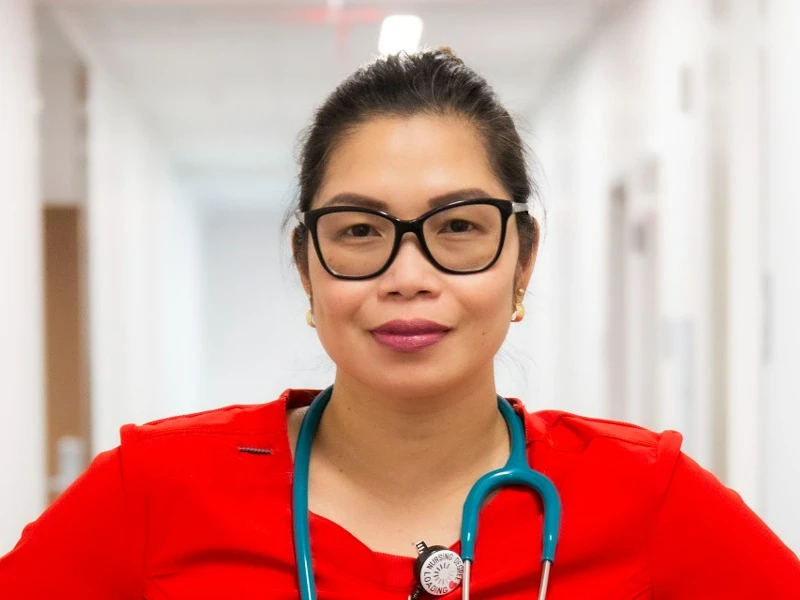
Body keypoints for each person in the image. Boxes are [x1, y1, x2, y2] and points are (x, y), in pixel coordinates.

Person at [1, 47, 799, 600]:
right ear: (306, 265)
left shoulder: (643, 496)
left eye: (458, 228)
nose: (408, 277)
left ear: (522, 261)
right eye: (359, 231)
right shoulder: (154, 490)